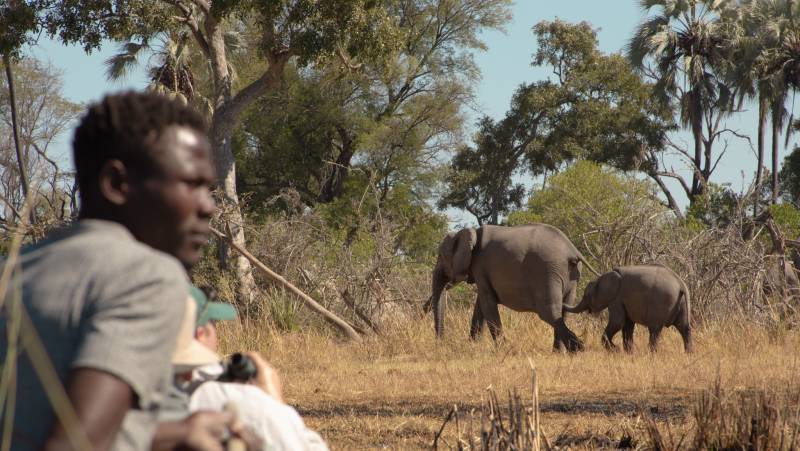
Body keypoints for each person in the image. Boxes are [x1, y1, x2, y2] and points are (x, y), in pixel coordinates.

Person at [0, 91, 236, 450]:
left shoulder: (14, 271)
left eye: (210, 189)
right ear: (116, 184)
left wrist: (180, 432)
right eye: (191, 184)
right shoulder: (146, 276)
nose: (209, 207)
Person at [168, 286, 328, 451]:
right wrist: (275, 403)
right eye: (214, 323)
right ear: (200, 335)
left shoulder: (148, 411)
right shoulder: (243, 402)